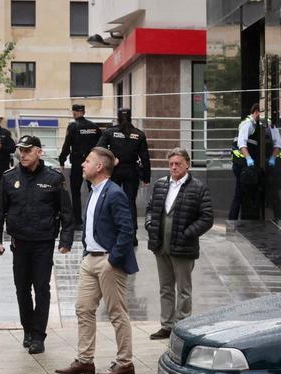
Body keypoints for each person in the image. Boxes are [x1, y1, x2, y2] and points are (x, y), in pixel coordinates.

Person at [55, 146, 138, 374]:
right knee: (83, 309)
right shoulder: (92, 190)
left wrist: (113, 260)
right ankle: (84, 361)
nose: (82, 164)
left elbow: (127, 230)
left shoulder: (114, 193)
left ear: (99, 167)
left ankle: (125, 363)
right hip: (89, 259)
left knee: (116, 313)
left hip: (108, 261)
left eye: (87, 161)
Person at [0, 135, 74, 354]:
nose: (23, 154)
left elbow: (66, 211)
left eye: (28, 150)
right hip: (19, 243)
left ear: (39, 152)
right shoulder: (9, 178)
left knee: (42, 289)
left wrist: (65, 240)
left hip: (43, 243)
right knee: (22, 290)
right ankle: (28, 329)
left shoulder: (54, 178)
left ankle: (38, 335)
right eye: (21, 150)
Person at [144, 148, 214, 340]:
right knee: (165, 288)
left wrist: (187, 234)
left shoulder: (198, 187)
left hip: (183, 247)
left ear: (187, 164)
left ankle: (183, 326)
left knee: (183, 289)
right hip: (161, 245)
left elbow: (207, 218)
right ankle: (166, 326)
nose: (174, 167)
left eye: (178, 164)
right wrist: (150, 224)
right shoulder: (160, 185)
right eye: (171, 164)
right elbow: (150, 209)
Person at [97, 108, 151, 245]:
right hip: (132, 171)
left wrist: (110, 161)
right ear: (131, 117)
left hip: (114, 170)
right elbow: (145, 158)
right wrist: (146, 177)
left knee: (111, 200)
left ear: (118, 118)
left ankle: (112, 232)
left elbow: (99, 150)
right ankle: (131, 235)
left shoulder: (109, 132)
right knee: (130, 203)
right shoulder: (139, 134)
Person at [228, 103, 281, 222]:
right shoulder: (247, 124)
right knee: (240, 192)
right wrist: (248, 159)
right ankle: (233, 220)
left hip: (258, 165)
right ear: (255, 112)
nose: (260, 116)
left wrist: (272, 158)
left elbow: (278, 144)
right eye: (259, 112)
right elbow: (242, 144)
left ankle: (277, 217)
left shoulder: (269, 125)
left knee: (271, 191)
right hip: (241, 164)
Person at [58, 104, 101, 229]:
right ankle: (94, 219)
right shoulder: (94, 127)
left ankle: (78, 221)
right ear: (84, 112)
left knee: (76, 193)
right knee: (94, 191)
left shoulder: (73, 126)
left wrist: (62, 159)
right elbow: (100, 145)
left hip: (78, 163)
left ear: (75, 113)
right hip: (92, 163)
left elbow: (67, 145)